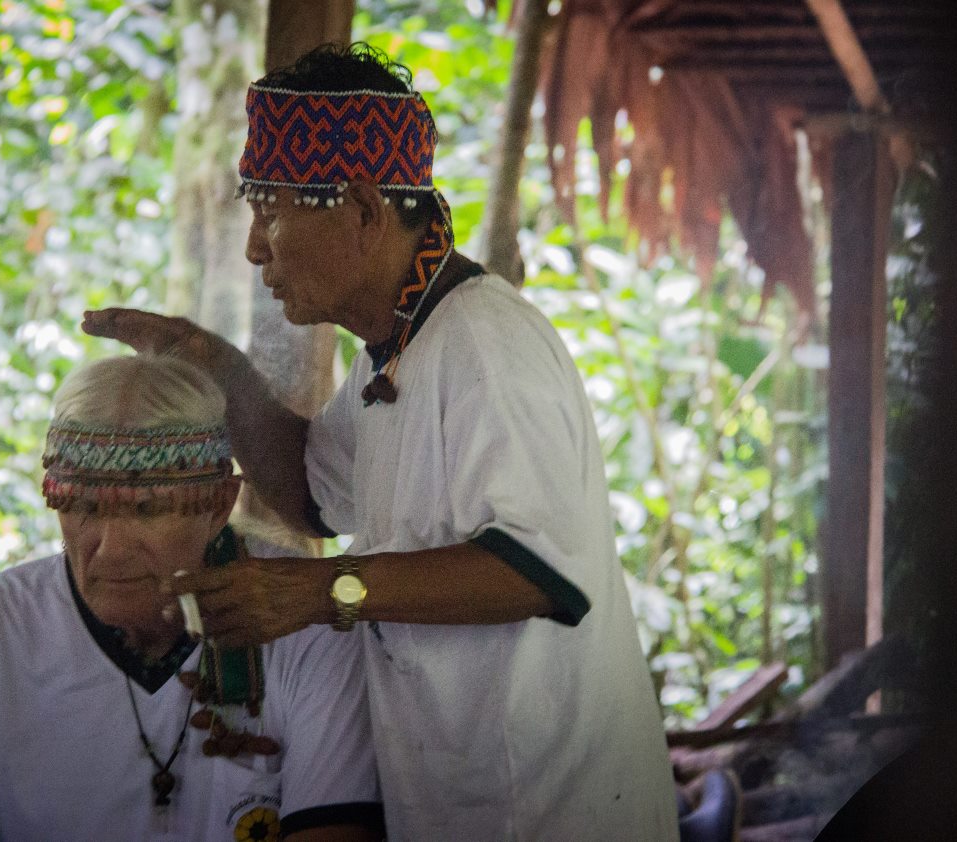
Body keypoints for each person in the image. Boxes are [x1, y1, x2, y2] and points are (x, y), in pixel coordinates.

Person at [83, 43, 679, 840]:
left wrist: (319, 594)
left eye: (271, 208)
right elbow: (308, 491)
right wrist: (209, 361)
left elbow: (539, 573)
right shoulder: (397, 351)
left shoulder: (484, 345)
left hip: (548, 812)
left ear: (362, 210)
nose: (256, 246)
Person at [0, 355, 385, 841]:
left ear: (219, 504)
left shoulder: (303, 624)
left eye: (147, 511)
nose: (110, 550)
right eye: (84, 507)